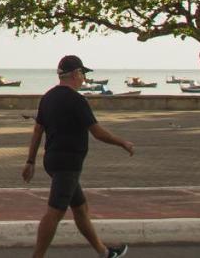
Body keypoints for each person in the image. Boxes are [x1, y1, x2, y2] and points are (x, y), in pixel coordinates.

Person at [22, 55, 132, 258]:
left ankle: (104, 252)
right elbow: (98, 133)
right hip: (68, 164)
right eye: (83, 74)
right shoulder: (77, 100)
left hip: (52, 161)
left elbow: (38, 130)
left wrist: (30, 161)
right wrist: (122, 142)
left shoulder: (48, 97)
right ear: (75, 74)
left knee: (81, 209)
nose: (84, 79)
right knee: (54, 213)